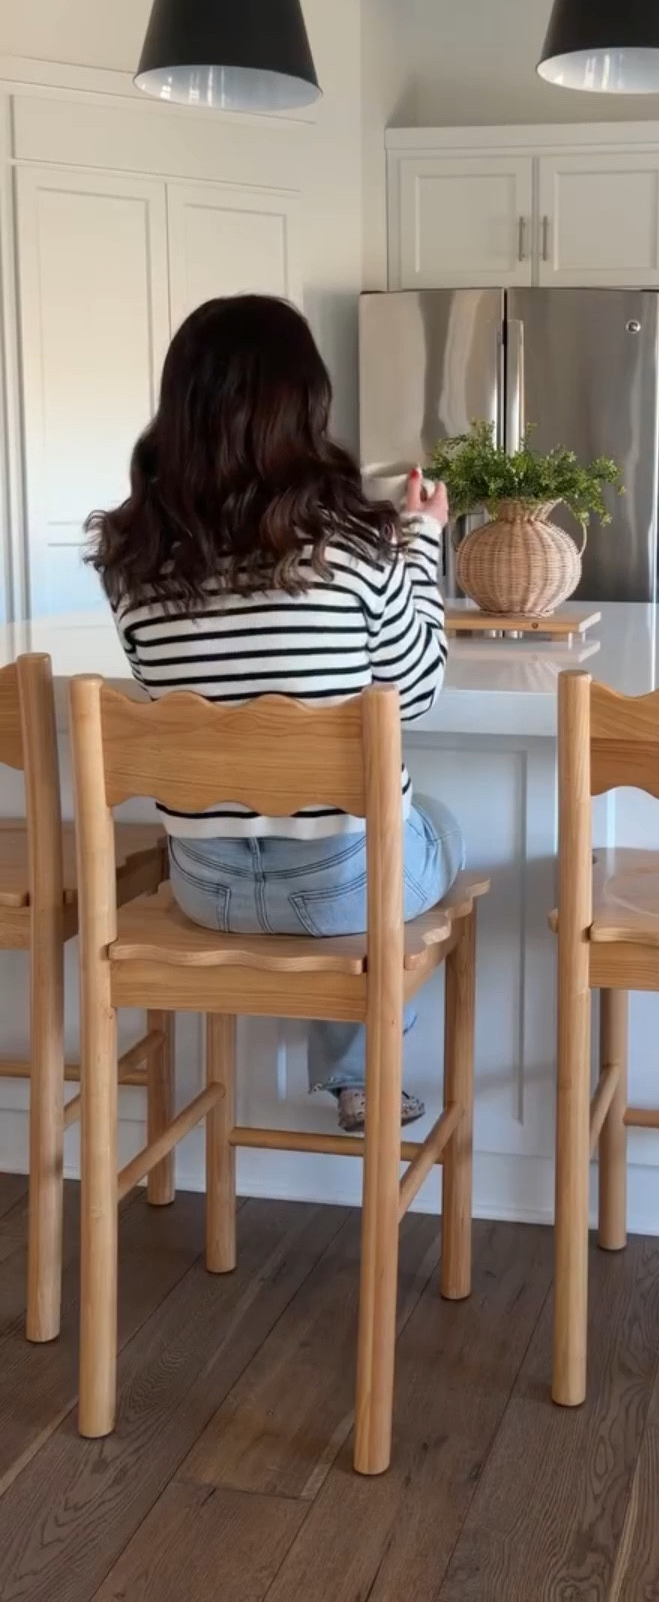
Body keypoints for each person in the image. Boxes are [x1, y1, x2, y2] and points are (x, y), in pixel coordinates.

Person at [86, 292, 461, 1135]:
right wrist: (421, 543)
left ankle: (354, 1070)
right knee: (411, 830)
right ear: (305, 409)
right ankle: (364, 1073)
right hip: (340, 896)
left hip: (205, 890)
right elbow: (418, 691)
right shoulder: (357, 547)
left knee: (349, 840)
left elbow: (167, 689)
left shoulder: (135, 564)